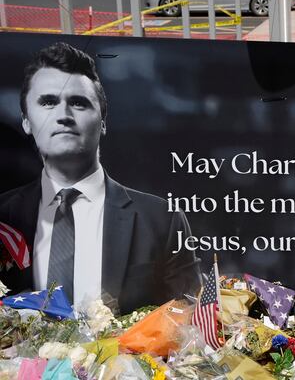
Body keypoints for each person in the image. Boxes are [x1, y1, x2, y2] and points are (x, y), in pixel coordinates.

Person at [0, 42, 200, 313]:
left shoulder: (162, 219)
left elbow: (190, 323)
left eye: (79, 103)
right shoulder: (4, 216)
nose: (64, 115)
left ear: (103, 121)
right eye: (48, 102)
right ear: (26, 120)